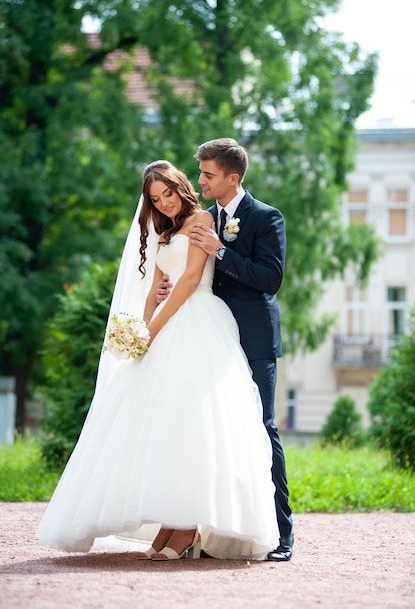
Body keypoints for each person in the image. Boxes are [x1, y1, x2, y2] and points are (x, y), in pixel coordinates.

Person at [36, 160, 279, 561]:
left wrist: (152, 330)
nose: (164, 203)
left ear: (181, 187)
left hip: (199, 321)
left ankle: (186, 527)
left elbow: (187, 282)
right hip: (167, 326)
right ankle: (171, 521)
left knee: (193, 421)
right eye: (155, 199)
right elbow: (156, 288)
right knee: (164, 423)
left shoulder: (203, 217)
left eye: (168, 193)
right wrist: (141, 327)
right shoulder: (164, 233)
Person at [157, 139, 293, 561]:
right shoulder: (199, 217)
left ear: (233, 177)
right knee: (212, 432)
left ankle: (280, 534)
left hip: (251, 341)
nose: (200, 181)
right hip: (209, 340)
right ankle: (219, 534)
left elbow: (270, 279)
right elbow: (191, 277)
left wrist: (220, 249)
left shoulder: (267, 218)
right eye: (200, 173)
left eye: (208, 174)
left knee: (261, 429)